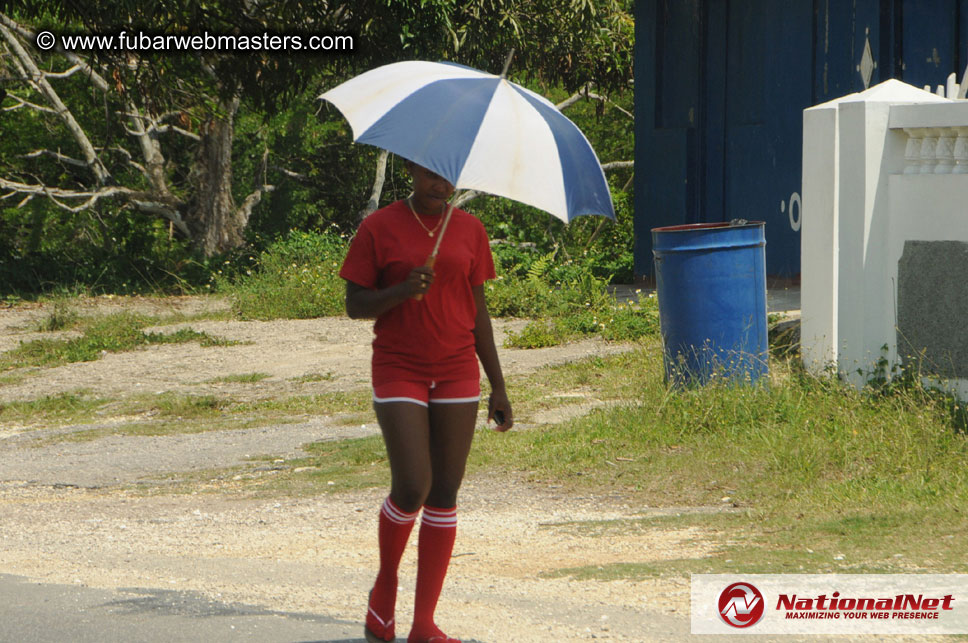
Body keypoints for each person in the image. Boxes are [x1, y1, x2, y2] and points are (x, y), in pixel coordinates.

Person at [339, 159, 513, 643]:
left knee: (445, 493)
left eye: (450, 176)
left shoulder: (471, 230)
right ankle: (385, 586)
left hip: (457, 367)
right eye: (434, 174)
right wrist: (400, 291)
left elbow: (478, 309)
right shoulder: (379, 228)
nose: (444, 184)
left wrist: (497, 384)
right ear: (413, 171)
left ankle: (423, 625)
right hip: (399, 366)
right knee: (413, 485)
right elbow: (355, 304)